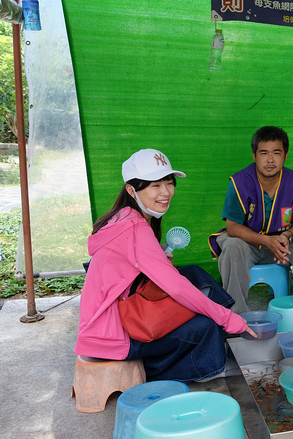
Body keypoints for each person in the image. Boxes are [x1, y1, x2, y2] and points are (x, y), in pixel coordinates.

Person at [75, 149, 255, 383]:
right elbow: (177, 289)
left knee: (193, 274)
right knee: (207, 325)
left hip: (111, 322)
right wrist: (227, 319)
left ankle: (223, 333)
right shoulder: (135, 228)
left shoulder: (124, 216)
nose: (166, 192)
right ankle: (196, 365)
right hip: (113, 338)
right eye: (155, 186)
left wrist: (155, 256)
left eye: (169, 183)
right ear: (132, 190)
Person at [210, 126, 293, 313]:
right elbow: (233, 227)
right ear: (254, 155)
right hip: (248, 245)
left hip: (282, 244)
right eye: (264, 153)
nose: (270, 159)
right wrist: (265, 240)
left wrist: (288, 235)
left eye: (276, 153)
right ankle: (236, 317)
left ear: (285, 155)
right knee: (231, 246)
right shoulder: (239, 182)